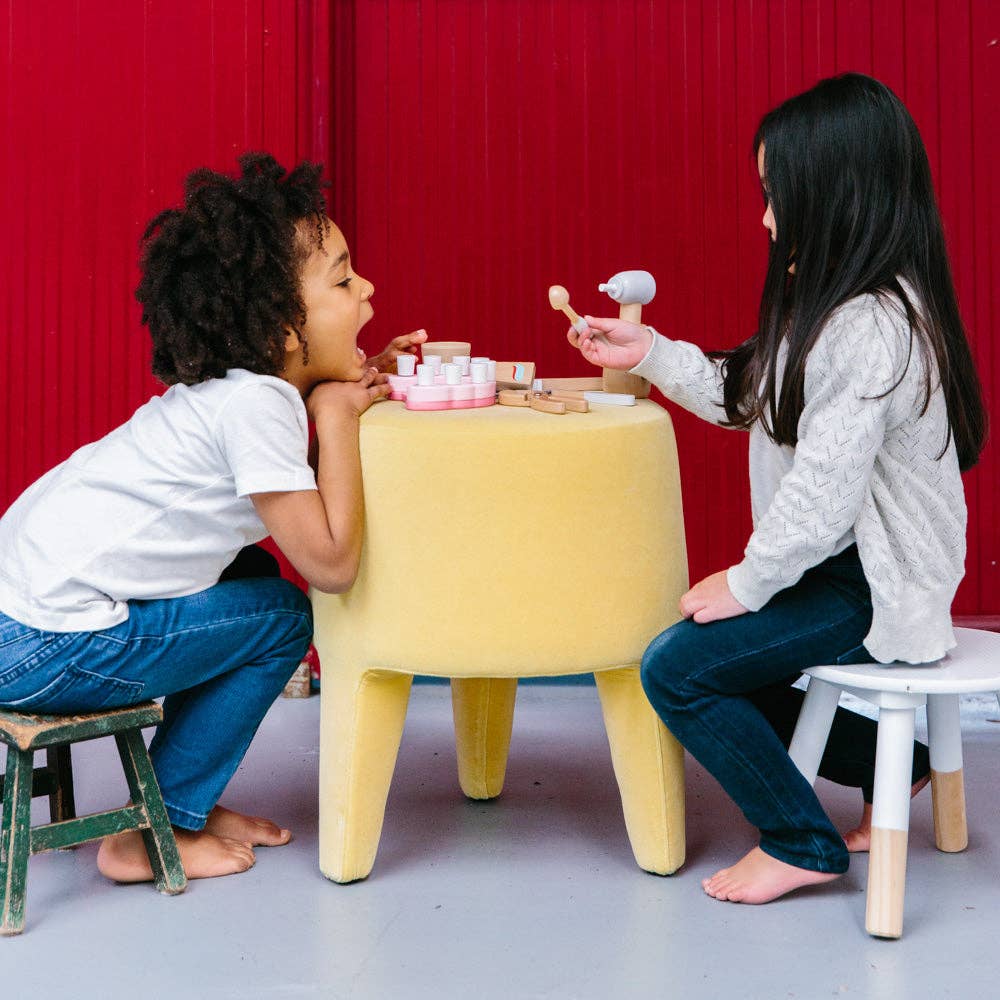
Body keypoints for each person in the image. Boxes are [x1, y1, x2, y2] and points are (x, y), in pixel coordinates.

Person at [567, 73, 986, 904]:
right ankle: (882, 770)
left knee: (677, 670)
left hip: (876, 576)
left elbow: (823, 494)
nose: (764, 217)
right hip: (847, 563)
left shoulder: (872, 327)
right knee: (725, 656)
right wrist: (647, 350)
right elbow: (746, 391)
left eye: (776, 195)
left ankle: (800, 839)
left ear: (838, 198)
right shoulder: (835, 308)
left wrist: (749, 580)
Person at [0, 153, 427, 882]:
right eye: (345, 279)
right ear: (286, 328)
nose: (368, 289)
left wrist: (334, 388)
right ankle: (148, 830)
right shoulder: (260, 407)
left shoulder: (237, 396)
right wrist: (336, 413)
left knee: (250, 573)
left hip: (19, 619)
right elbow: (331, 563)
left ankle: (177, 802)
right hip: (40, 646)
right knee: (283, 617)